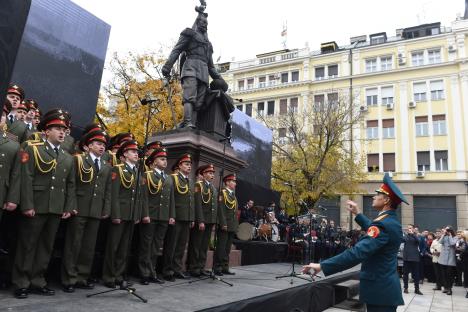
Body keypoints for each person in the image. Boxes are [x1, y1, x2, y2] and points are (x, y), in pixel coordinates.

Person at [303, 173, 407, 312]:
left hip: (379, 292)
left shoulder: (383, 225)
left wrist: (322, 265)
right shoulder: (390, 222)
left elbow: (357, 253)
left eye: (378, 194)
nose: (374, 197)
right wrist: (358, 214)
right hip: (384, 290)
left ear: (386, 200)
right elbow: (375, 231)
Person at [12, 109, 76, 299]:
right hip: (37, 205)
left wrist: (67, 207)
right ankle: (21, 282)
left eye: (64, 129)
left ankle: (38, 280)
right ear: (46, 131)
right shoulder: (33, 148)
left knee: (46, 246)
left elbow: (70, 184)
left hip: (56, 207)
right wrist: (27, 204)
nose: (62, 132)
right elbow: (26, 177)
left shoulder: (67, 157)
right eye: (57, 128)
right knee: (28, 245)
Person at [60, 129, 112, 292]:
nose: (101, 147)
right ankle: (69, 278)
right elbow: (71, 184)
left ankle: (82, 277)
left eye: (103, 144)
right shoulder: (78, 160)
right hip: (79, 207)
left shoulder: (106, 165)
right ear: (88, 146)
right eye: (98, 143)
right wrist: (71, 205)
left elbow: (107, 190)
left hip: (96, 209)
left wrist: (106, 208)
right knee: (73, 245)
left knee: (88, 247)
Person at [162, 10, 225, 128]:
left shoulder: (208, 44)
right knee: (189, 97)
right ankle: (187, 122)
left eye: (206, 23)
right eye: (202, 22)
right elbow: (177, 50)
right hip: (190, 68)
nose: (205, 24)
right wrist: (167, 66)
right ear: (197, 22)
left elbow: (211, 66)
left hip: (204, 72)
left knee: (199, 102)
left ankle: (192, 124)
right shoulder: (189, 34)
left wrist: (221, 80)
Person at [102, 140, 141, 288]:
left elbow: (138, 197)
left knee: (124, 248)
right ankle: (109, 276)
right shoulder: (117, 169)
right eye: (133, 151)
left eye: (137, 152)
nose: (136, 154)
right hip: (120, 214)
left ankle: (119, 275)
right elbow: (114, 194)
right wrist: (116, 214)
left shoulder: (137, 172)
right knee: (113, 247)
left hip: (131, 214)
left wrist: (136, 215)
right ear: (125, 154)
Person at [138, 147, 174, 285]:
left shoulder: (168, 178)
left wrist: (171, 215)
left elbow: (170, 199)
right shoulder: (147, 175)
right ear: (154, 161)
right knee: (146, 246)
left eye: (165, 159)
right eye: (162, 159)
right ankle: (144, 273)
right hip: (151, 215)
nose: (165, 162)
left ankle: (152, 272)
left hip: (163, 217)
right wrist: (145, 214)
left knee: (156, 246)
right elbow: (144, 197)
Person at [163, 154, 194, 281]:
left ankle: (177, 269)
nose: (189, 167)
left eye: (190, 165)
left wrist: (191, 218)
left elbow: (191, 201)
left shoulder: (190, 181)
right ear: (180, 165)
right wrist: (171, 215)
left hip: (186, 218)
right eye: (186, 164)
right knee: (171, 245)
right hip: (176, 217)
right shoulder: (173, 178)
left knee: (181, 246)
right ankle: (167, 270)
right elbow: (170, 199)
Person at [187, 164, 218, 277]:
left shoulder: (213, 188)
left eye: (213, 173)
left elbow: (214, 206)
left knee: (204, 245)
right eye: (209, 173)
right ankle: (193, 267)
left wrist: (214, 220)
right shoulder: (199, 185)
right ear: (203, 174)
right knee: (196, 244)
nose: (212, 175)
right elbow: (198, 205)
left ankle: (201, 267)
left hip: (209, 221)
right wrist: (200, 220)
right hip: (202, 220)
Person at [213, 174, 238, 276]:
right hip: (225, 224)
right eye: (233, 181)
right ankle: (217, 267)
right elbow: (221, 209)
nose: (235, 183)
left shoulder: (233, 195)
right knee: (221, 247)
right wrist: (223, 223)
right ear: (227, 182)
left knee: (227, 248)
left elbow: (234, 212)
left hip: (231, 225)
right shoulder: (222, 193)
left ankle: (224, 266)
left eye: (235, 181)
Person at [402, 224, 423, 295]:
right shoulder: (405, 236)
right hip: (407, 258)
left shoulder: (417, 236)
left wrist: (413, 234)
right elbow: (402, 240)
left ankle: (417, 289)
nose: (409, 229)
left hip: (415, 258)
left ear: (413, 229)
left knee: (416, 274)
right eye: (408, 228)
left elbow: (418, 241)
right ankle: (406, 288)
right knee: (405, 274)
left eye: (410, 228)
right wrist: (406, 234)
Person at [438, 227, 457, 295]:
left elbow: (452, 243)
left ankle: (449, 288)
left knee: (449, 275)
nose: (447, 231)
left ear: (451, 230)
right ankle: (445, 287)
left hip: (450, 259)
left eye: (448, 230)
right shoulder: (444, 236)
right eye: (446, 230)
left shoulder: (455, 237)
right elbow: (440, 242)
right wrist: (443, 234)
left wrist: (450, 236)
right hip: (443, 258)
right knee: (444, 275)